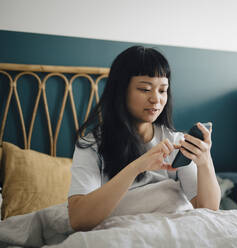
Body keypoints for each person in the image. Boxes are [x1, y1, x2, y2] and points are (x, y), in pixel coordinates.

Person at [67, 46, 221, 231]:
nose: (156, 99)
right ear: (121, 91)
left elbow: (208, 211)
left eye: (162, 90)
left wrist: (205, 162)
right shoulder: (91, 146)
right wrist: (137, 166)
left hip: (175, 230)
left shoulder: (176, 142)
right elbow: (79, 220)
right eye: (145, 89)